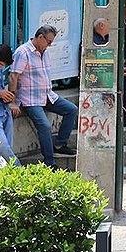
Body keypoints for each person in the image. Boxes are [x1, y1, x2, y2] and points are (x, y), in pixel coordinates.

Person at [9, 26, 77, 167]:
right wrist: (13, 102)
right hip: (30, 99)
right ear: (40, 37)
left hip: (47, 95)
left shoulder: (44, 52)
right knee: (45, 126)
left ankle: (59, 144)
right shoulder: (23, 52)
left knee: (72, 110)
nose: (49, 45)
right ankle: (49, 162)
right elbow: (14, 76)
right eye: (48, 41)